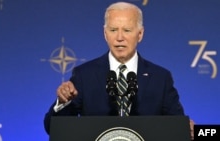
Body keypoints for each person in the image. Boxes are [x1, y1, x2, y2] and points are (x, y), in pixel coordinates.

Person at [44, 1, 194, 140]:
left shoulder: (160, 78)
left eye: (127, 30)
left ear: (140, 34)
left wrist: (188, 130)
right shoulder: (84, 75)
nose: (119, 37)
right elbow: (52, 127)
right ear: (105, 34)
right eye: (113, 30)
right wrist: (62, 103)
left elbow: (177, 129)